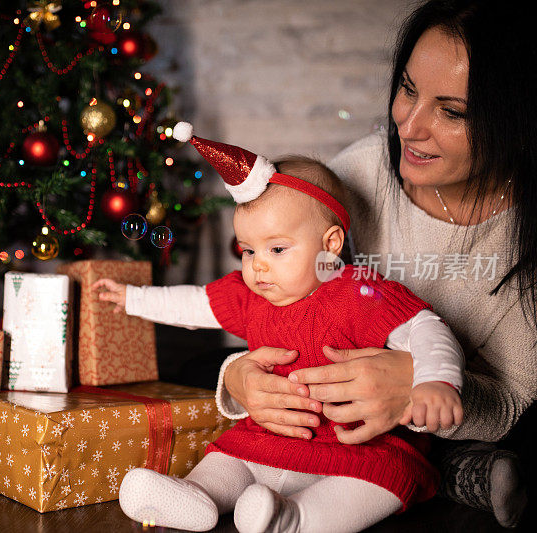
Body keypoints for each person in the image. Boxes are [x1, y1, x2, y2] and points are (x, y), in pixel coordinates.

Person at [219, 0, 536, 528]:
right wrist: (239, 381)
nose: (409, 127)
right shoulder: (363, 172)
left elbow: (515, 403)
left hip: (431, 443)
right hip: (318, 431)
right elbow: (267, 293)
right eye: (408, 89)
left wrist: (421, 387)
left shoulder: (522, 236)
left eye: (452, 111)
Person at [96, 125, 465, 533]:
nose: (258, 265)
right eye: (248, 250)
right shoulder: (253, 296)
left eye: (277, 249)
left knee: (380, 481)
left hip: (353, 446)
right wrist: (133, 299)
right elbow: (196, 302)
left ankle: (295, 519)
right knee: (230, 457)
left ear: (331, 244)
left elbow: (425, 326)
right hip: (269, 437)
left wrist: (437, 380)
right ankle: (196, 497)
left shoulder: (359, 292)